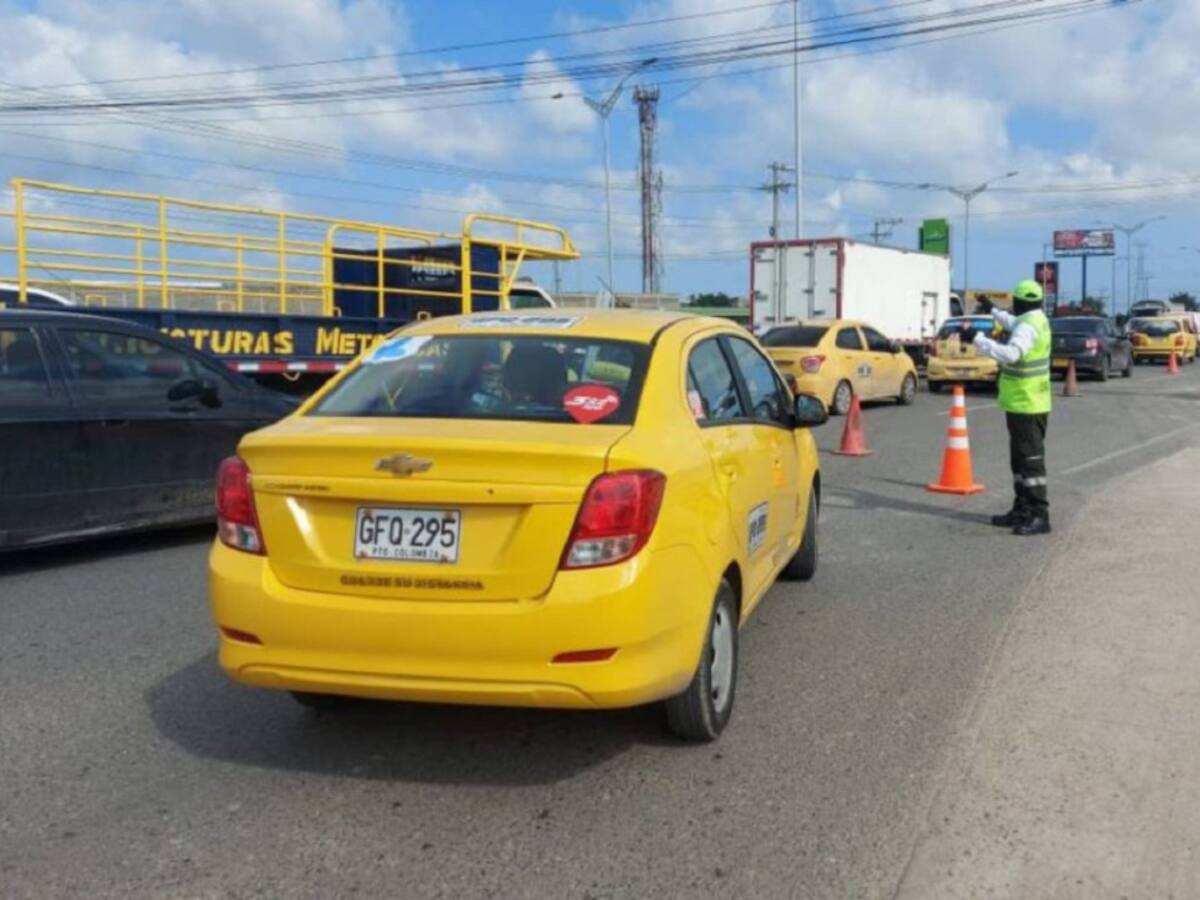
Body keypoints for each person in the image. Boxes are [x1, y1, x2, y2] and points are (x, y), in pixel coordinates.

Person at [972, 279, 1052, 536]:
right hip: (1023, 402)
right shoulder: (1035, 318)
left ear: (1019, 302)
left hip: (1028, 403)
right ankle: (1023, 508)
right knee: (1019, 460)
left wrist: (979, 341)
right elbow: (1010, 321)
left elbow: (1011, 354)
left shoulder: (1028, 326)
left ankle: (1039, 514)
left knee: (1030, 461)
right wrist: (991, 308)